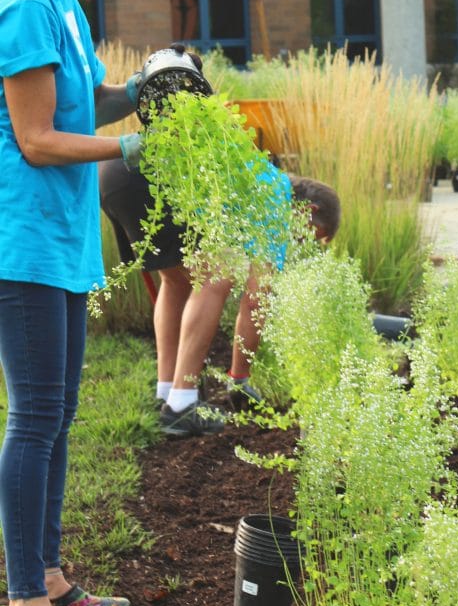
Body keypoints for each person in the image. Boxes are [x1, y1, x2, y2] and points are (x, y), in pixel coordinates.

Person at [0, 0, 146, 606]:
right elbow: (37, 139)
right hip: (19, 242)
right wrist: (131, 144)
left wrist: (151, 88)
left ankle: (50, 575)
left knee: (56, 418)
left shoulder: (64, 3)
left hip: (60, 241)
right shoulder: (21, 4)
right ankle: (25, 602)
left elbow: (84, 100)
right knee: (33, 420)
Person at [99, 158, 341, 436]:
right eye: (307, 235)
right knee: (220, 271)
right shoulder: (275, 197)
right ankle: (182, 405)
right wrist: (239, 378)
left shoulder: (259, 174)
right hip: (151, 176)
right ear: (308, 210)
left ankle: (168, 394)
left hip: (117, 172)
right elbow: (255, 301)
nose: (298, 242)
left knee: (176, 281)